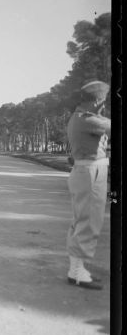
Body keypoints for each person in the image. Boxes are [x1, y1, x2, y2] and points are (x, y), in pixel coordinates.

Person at [65, 80, 111, 290]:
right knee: (89, 220)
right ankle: (77, 272)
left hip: (86, 171)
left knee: (81, 220)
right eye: (102, 100)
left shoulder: (81, 116)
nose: (104, 105)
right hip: (91, 172)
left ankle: (77, 268)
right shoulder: (88, 119)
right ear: (96, 100)